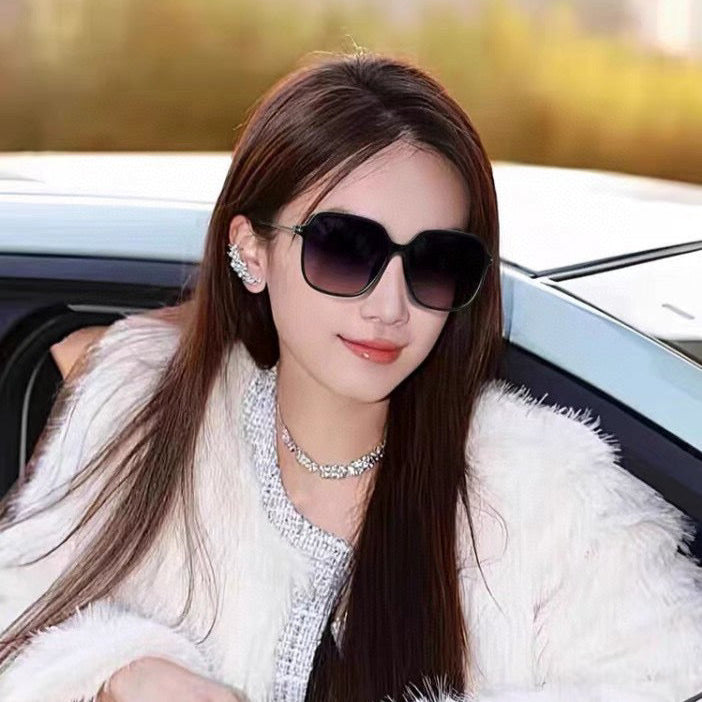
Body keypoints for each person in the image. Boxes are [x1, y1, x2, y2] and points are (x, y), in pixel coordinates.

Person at [1, 49, 701, 702]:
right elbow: (19, 618)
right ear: (252, 251)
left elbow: (670, 676)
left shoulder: (544, 494)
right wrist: (123, 672)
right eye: (345, 249)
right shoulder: (144, 413)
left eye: (433, 263)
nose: (390, 307)